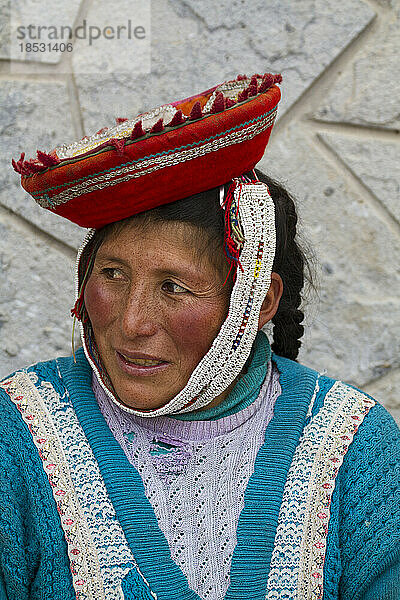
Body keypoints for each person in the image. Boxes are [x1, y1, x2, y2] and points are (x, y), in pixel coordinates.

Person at [2, 73, 399, 600]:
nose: (132, 322)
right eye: (113, 274)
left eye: (174, 287)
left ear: (258, 303)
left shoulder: (353, 445)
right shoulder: (19, 431)